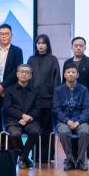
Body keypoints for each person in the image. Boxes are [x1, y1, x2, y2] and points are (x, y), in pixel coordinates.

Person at [0, 23, 24, 140]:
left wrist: (3, 86)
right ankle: (1, 147)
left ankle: (12, 148)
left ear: (11, 35)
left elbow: (17, 70)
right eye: (1, 34)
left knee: (11, 121)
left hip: (11, 92)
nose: (4, 36)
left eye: (6, 34)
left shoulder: (17, 51)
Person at [26, 34, 60, 162]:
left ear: (47, 45)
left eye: (43, 43)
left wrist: (55, 99)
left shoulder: (53, 59)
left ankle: (47, 155)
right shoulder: (31, 60)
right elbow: (27, 79)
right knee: (35, 128)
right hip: (34, 101)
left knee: (47, 128)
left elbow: (57, 80)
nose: (40, 45)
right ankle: (35, 155)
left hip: (48, 99)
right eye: (38, 43)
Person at [53, 63, 89, 171]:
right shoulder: (58, 90)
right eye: (68, 72)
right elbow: (56, 109)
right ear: (64, 75)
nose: (71, 74)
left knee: (85, 132)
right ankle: (70, 160)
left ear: (77, 75)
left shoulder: (84, 89)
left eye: (73, 72)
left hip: (80, 121)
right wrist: (67, 121)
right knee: (63, 132)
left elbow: (87, 109)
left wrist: (79, 121)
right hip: (64, 121)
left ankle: (81, 160)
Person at [3, 64, 39, 168]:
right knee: (15, 134)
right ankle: (26, 158)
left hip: (30, 120)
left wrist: (28, 118)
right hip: (13, 120)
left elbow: (37, 109)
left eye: (27, 72)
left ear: (30, 76)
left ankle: (22, 157)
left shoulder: (35, 91)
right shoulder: (9, 90)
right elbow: (7, 108)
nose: (24, 74)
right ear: (17, 74)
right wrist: (22, 116)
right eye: (22, 72)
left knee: (35, 132)